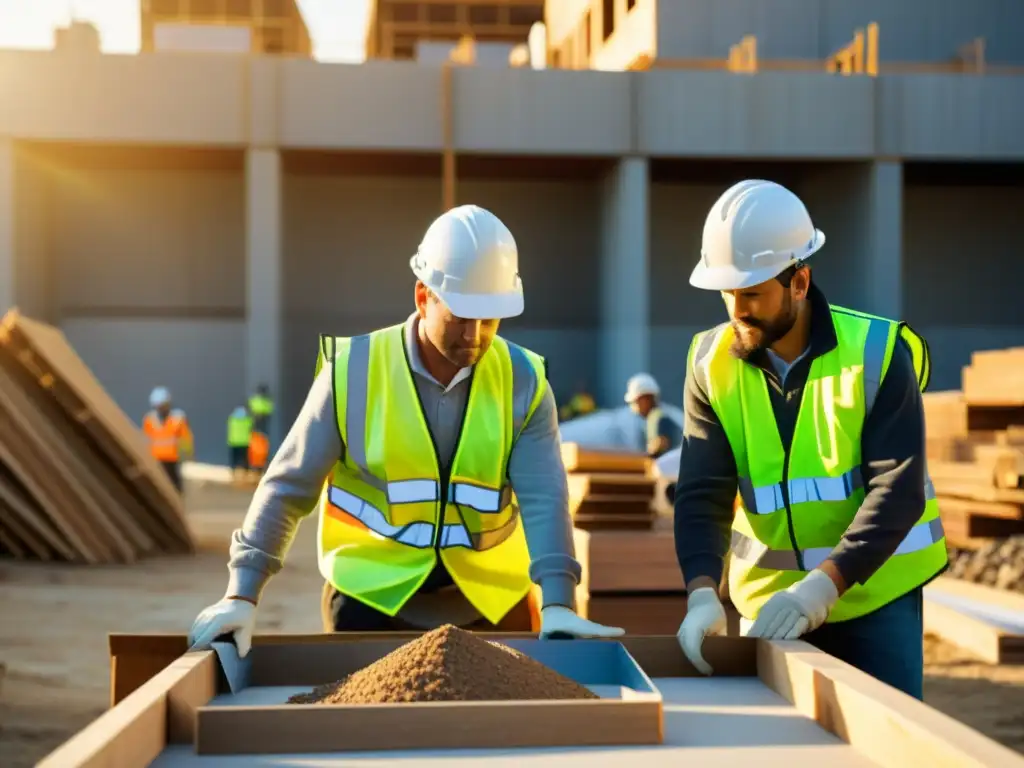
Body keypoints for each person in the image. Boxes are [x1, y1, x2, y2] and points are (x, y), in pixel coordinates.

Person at [188, 205, 625, 656]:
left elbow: (545, 498)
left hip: (488, 595)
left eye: (490, 319)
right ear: (423, 296)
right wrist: (242, 593)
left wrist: (558, 602)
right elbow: (288, 487)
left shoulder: (524, 382)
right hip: (372, 593)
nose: (474, 335)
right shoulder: (352, 374)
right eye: (460, 316)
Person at [673, 179, 946, 699]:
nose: (736, 309)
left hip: (874, 598)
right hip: (768, 604)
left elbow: (898, 489)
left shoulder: (878, 352)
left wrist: (823, 587)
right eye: (727, 293)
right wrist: (702, 592)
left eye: (752, 293)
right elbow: (701, 492)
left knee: (884, 743)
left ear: (799, 282)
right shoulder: (709, 363)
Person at [142, 387, 194, 493]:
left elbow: (186, 439)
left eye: (163, 406)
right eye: (158, 406)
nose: (161, 409)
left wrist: (188, 457)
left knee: (175, 488)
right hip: (156, 460)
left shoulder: (178, 419)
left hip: (173, 460)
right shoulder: (149, 420)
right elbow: (146, 439)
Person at [624, 372, 681, 459]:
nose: (633, 406)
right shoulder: (665, 413)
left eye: (635, 401)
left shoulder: (660, 417)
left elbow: (662, 443)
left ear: (646, 398)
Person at [226, 405, 252, 481]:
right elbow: (251, 426)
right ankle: (245, 474)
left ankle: (233, 473)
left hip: (234, 442)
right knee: (245, 459)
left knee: (234, 459)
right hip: (244, 442)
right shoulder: (247, 420)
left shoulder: (232, 419)